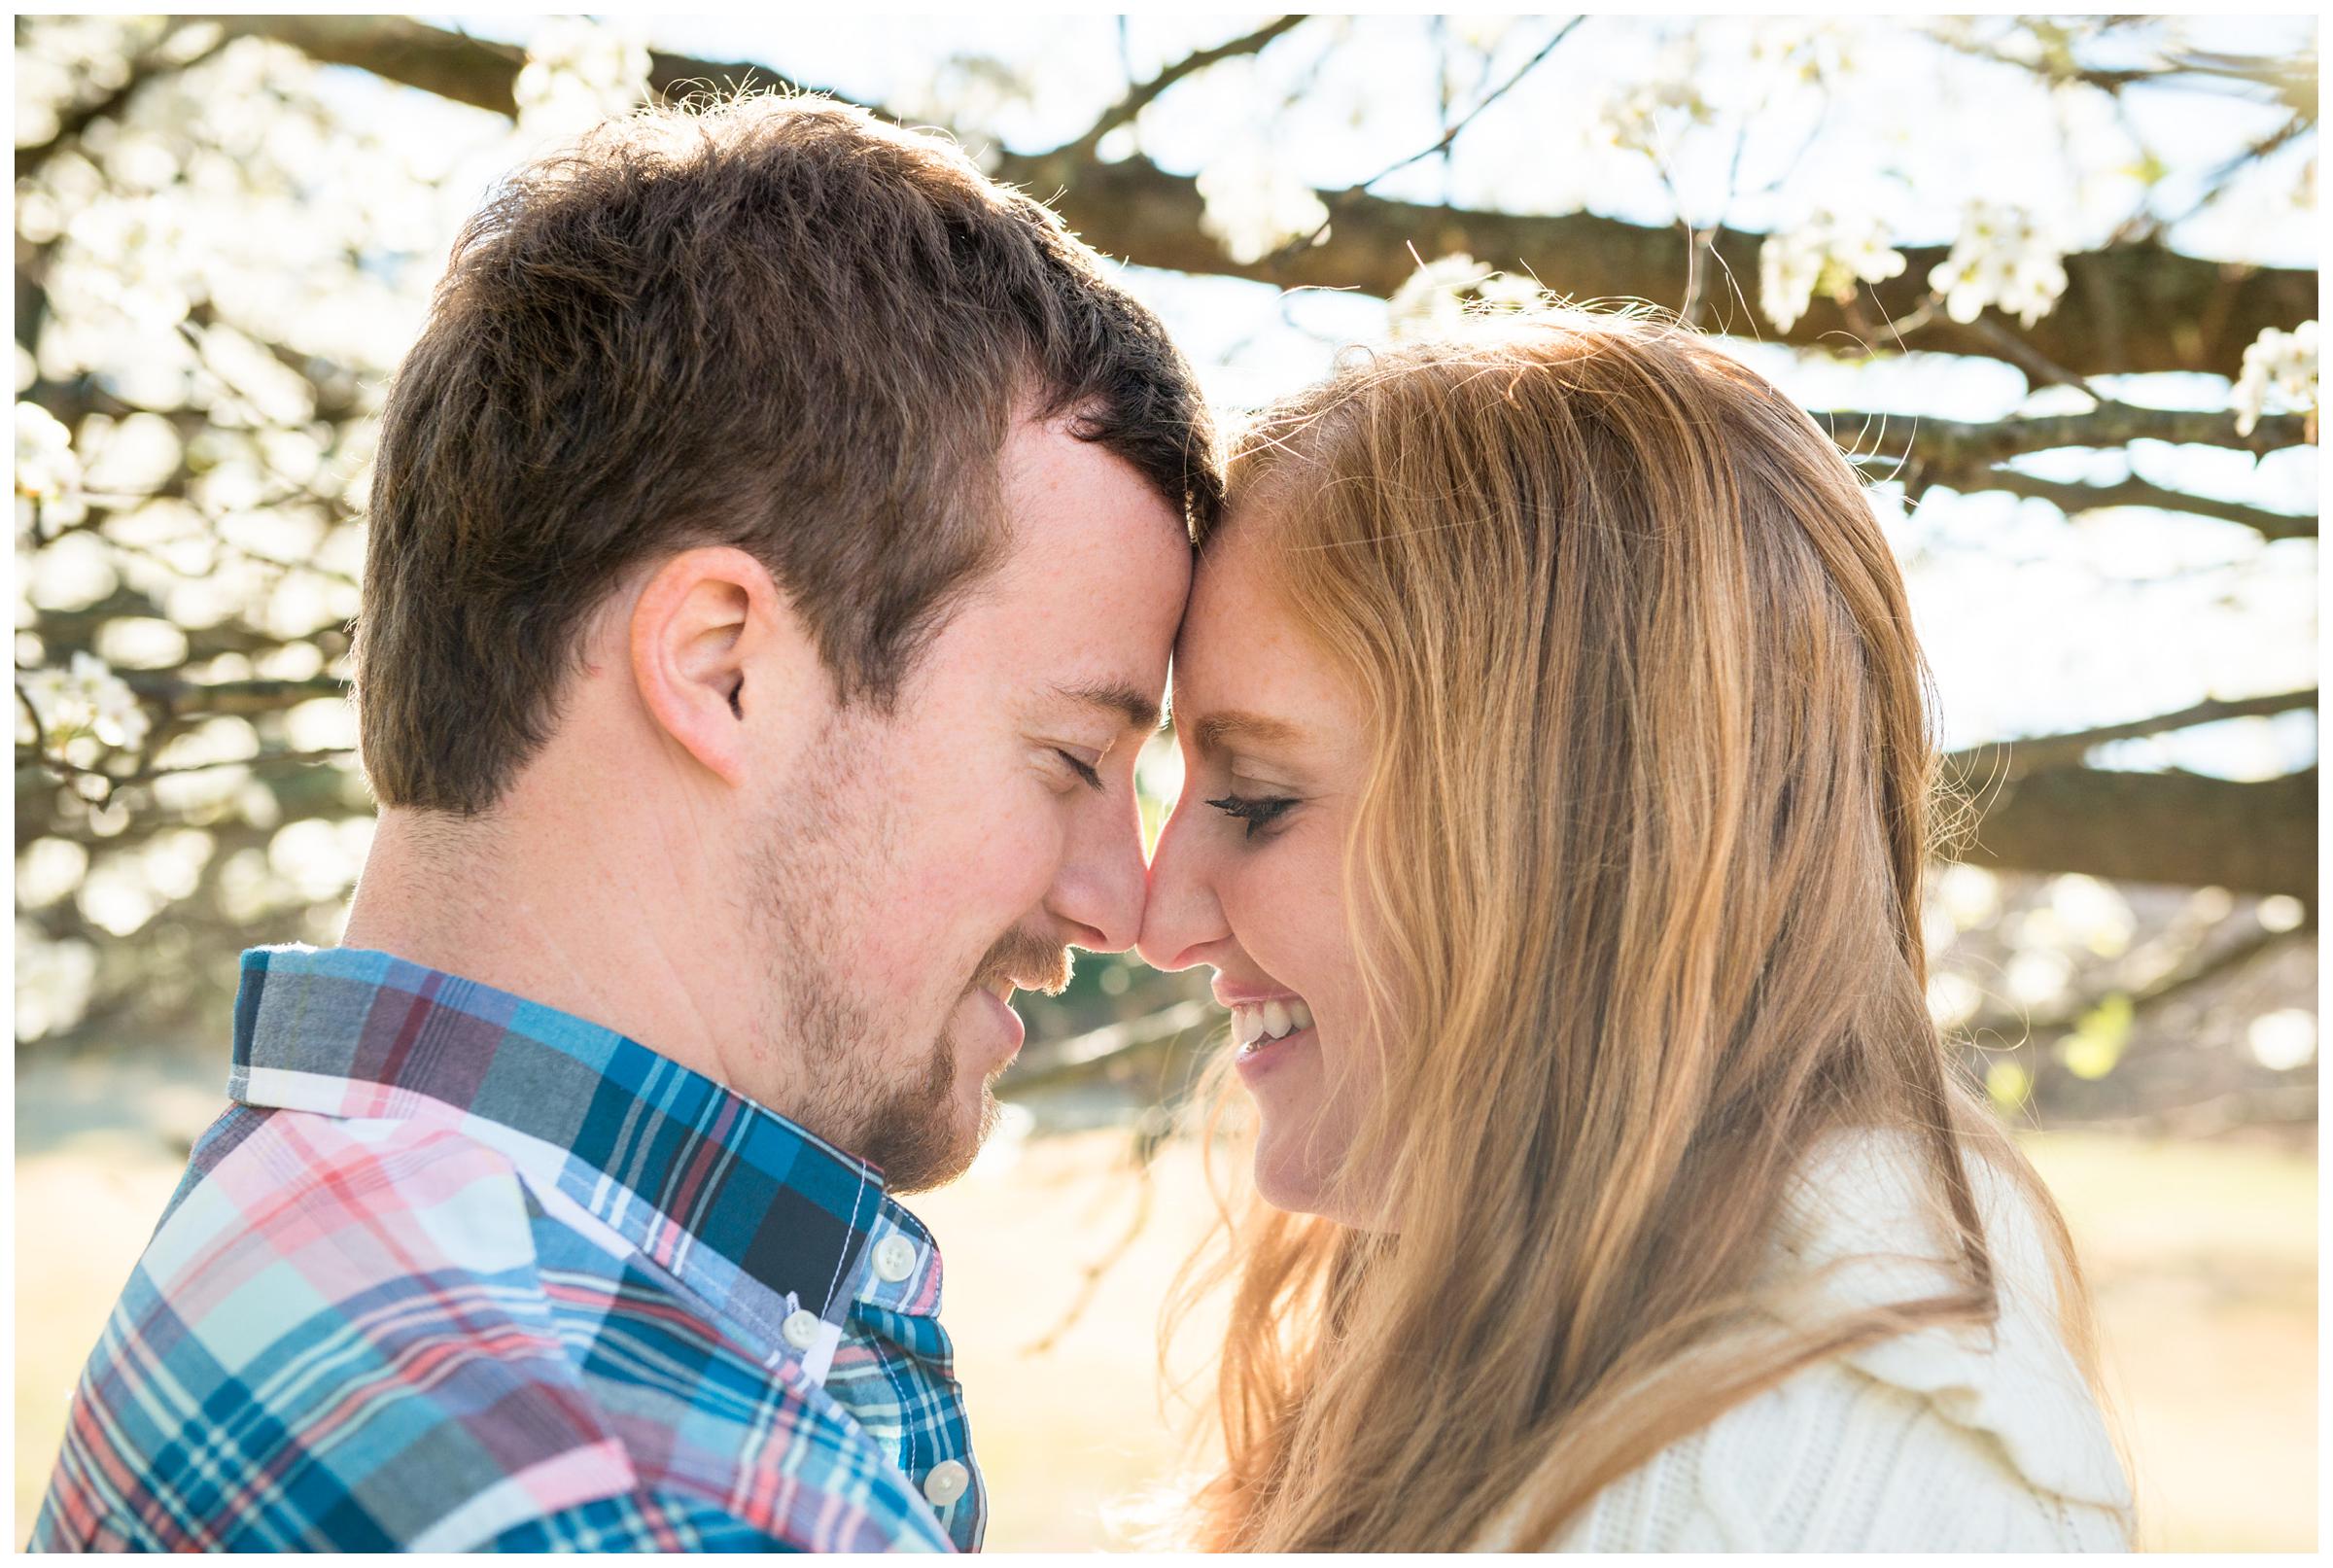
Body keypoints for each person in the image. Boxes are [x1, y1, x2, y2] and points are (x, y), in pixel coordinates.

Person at [31, 95, 1218, 1553]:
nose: (1128, 903)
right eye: (1072, 756)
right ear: (723, 668)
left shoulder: (302, 1206)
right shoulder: (644, 1502)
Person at [1135, 309, 2135, 1551]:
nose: (1157, 913)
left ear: (1573, 828)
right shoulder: (1517, 1345)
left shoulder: (1812, 1480)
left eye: (1259, 799)